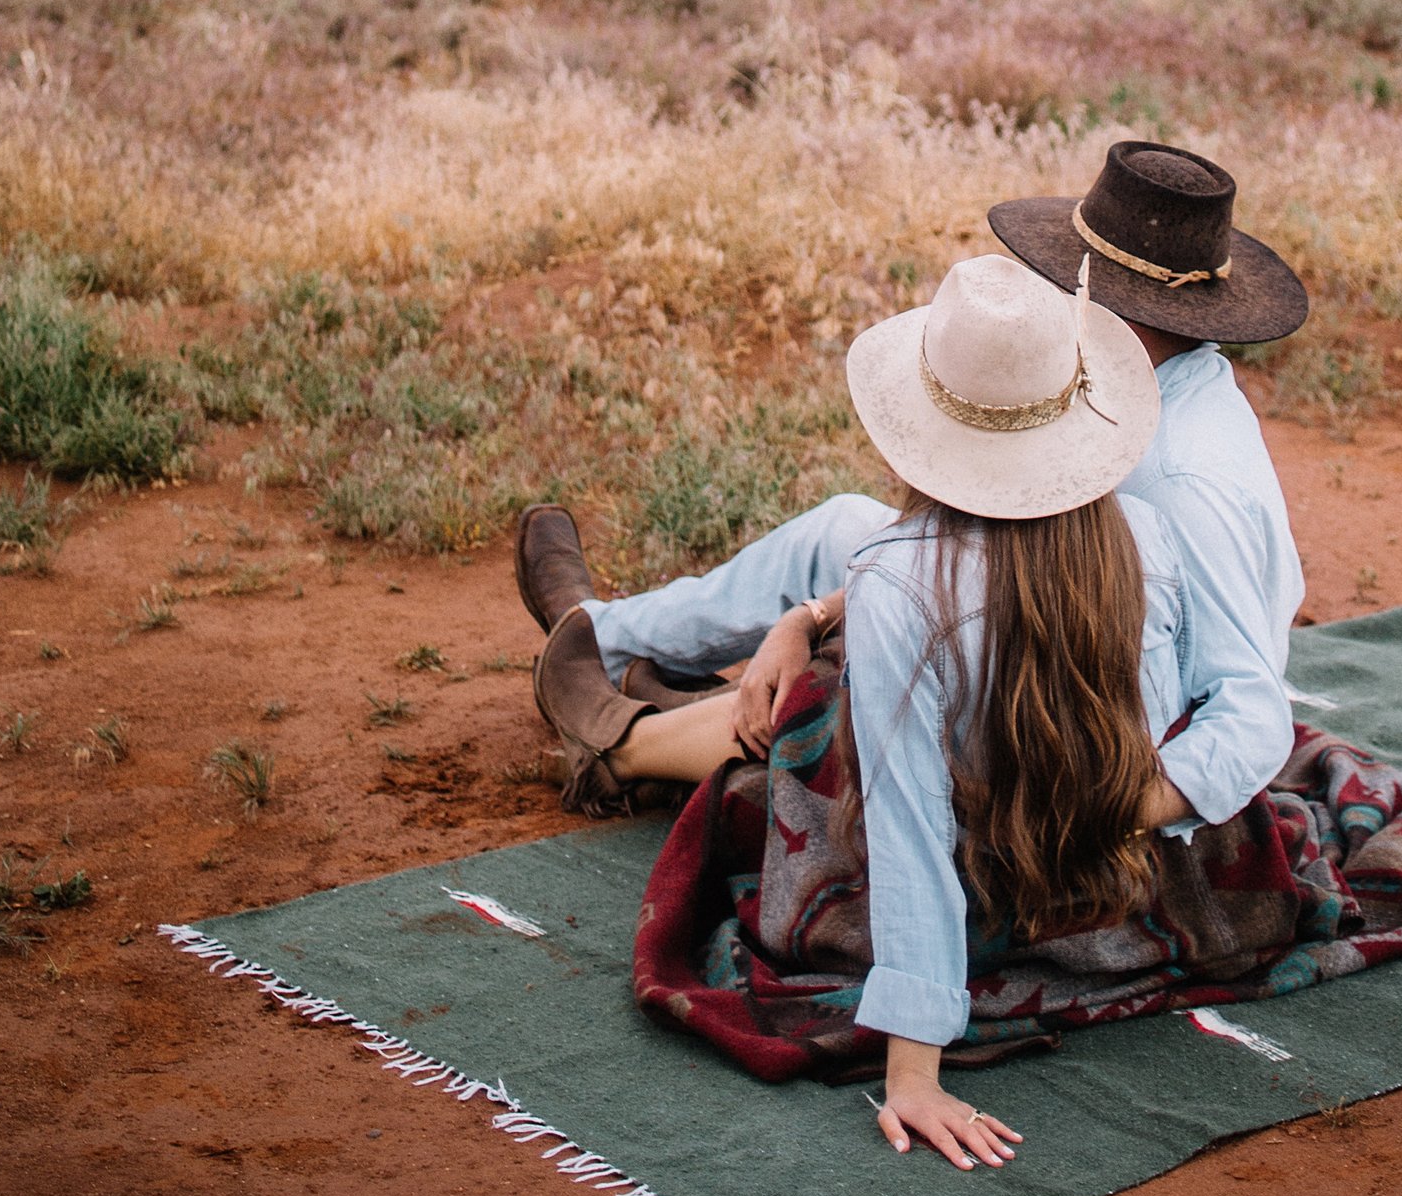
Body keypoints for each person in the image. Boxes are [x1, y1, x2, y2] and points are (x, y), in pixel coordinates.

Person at [601, 250, 1402, 1159]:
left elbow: (911, 825)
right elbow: (1212, 720)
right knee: (840, 669)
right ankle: (621, 717)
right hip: (1132, 874)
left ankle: (616, 741)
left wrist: (913, 1074)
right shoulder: (1144, 533)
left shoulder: (898, 586)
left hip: (995, 878)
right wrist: (1110, 805)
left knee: (800, 731)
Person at [519, 141, 1308, 842]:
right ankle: (602, 635)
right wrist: (813, 614)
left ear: (1117, 304)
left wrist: (1096, 813)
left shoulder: (1181, 481)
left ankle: (623, 733)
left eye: (1065, 276)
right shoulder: (1144, 384)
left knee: (876, 662)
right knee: (848, 530)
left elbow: (1247, 705)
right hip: (1049, 630)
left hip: (1091, 720)